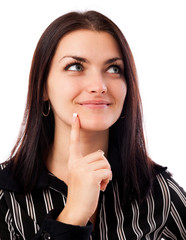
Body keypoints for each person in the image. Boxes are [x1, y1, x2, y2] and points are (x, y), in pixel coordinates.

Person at [0, 10, 185, 240]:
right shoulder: (4, 198)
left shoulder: (161, 194)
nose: (99, 85)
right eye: (76, 66)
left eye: (114, 69)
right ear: (43, 88)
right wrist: (73, 215)